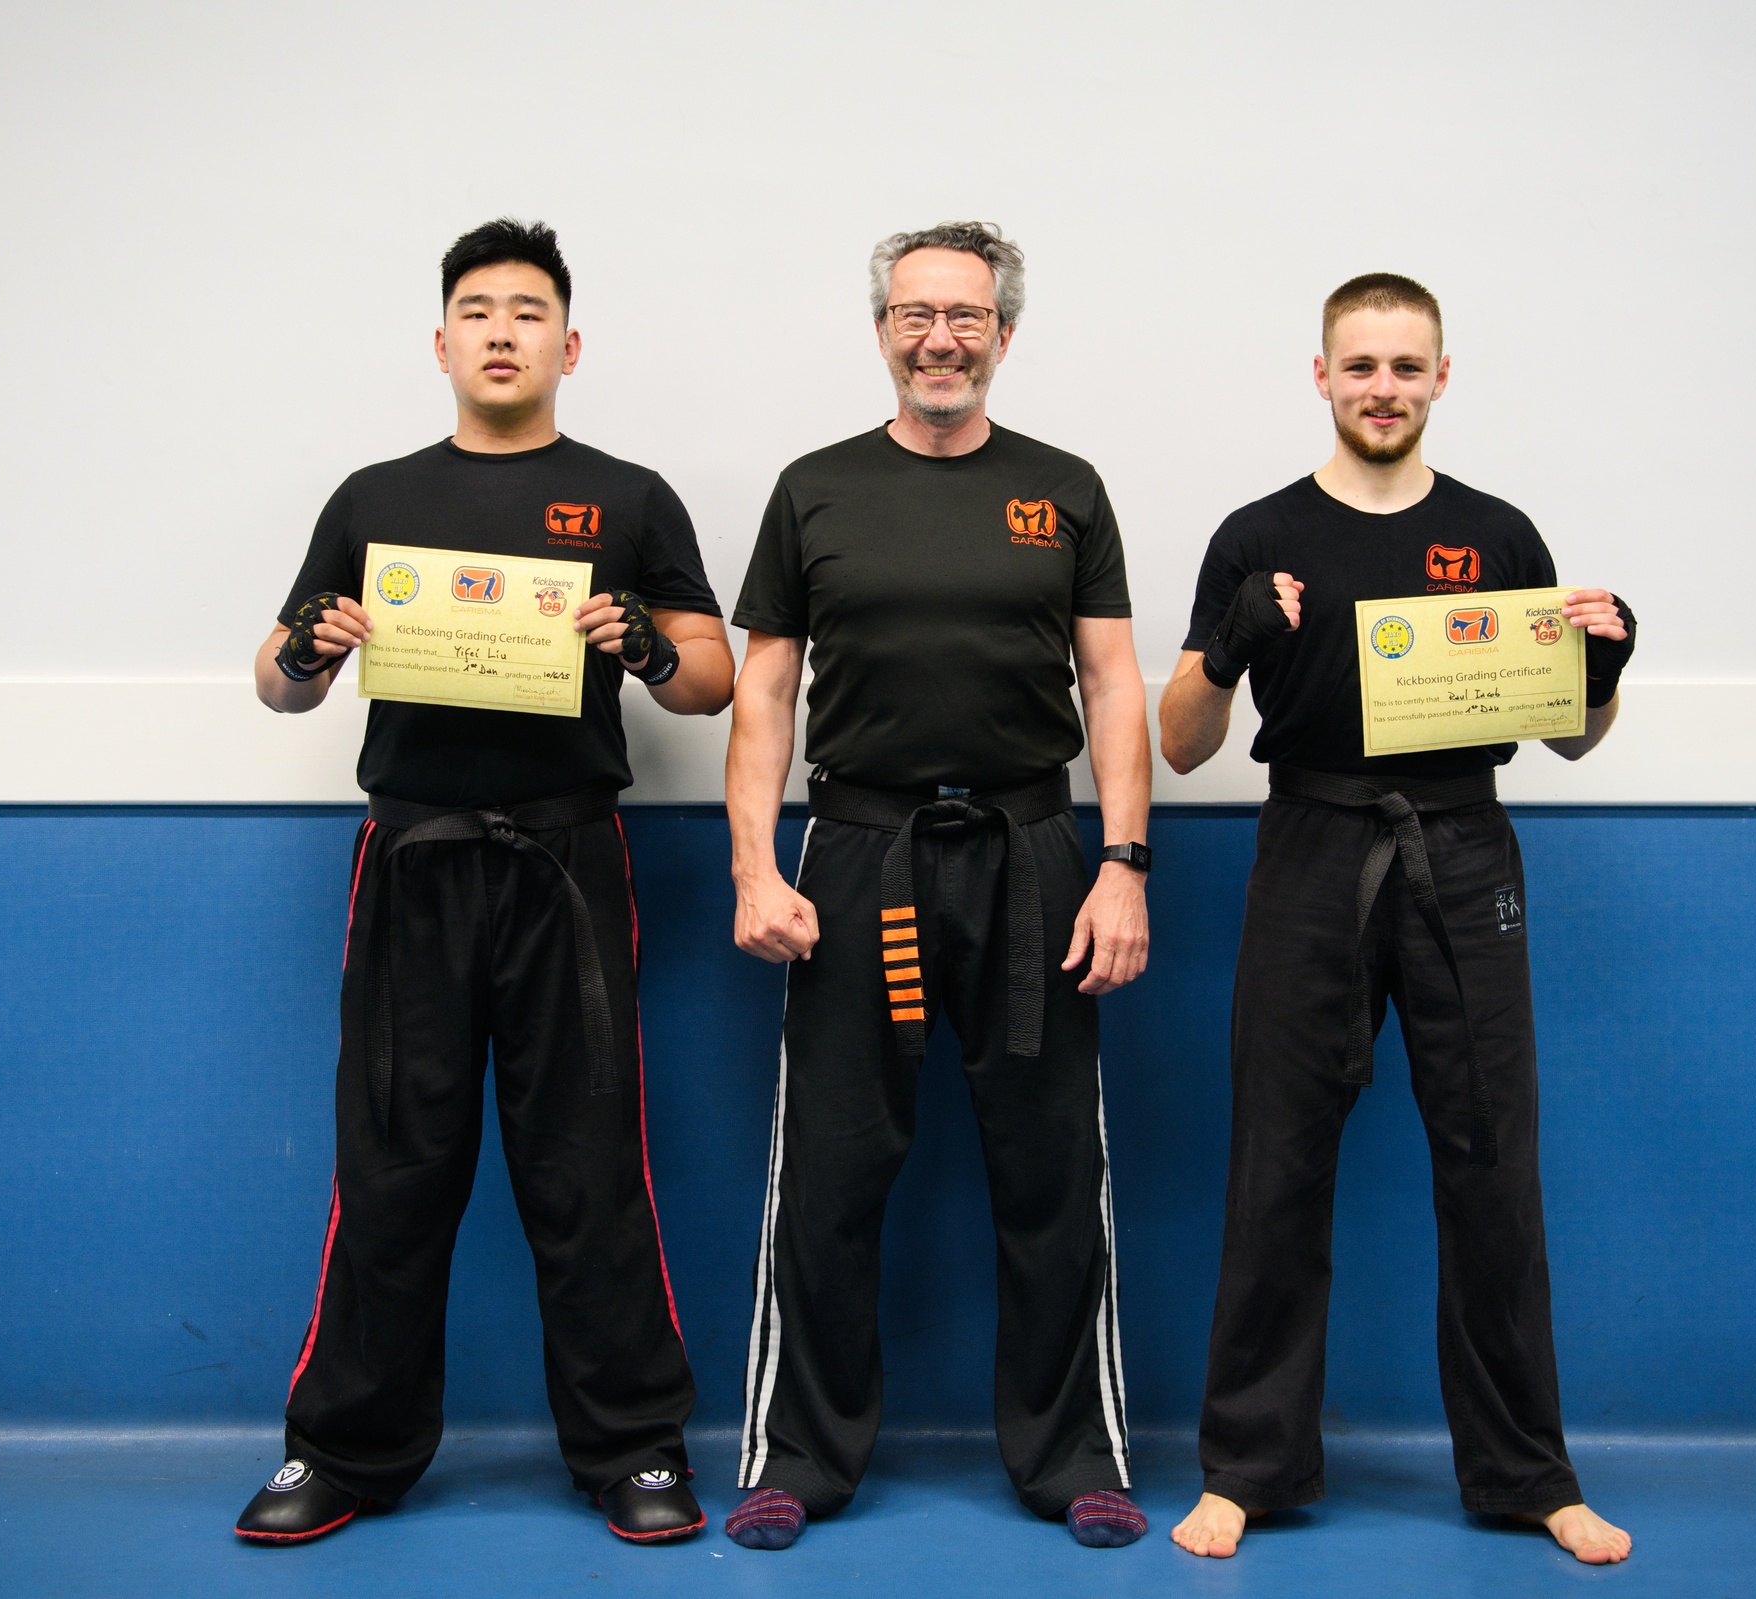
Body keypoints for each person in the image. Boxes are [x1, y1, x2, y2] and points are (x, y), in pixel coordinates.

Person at [233, 219, 733, 1547]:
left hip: (566, 863)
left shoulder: (628, 498)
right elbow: (279, 685)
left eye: (527, 312)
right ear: (442, 343)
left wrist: (642, 643)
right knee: (392, 1164)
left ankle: (634, 1448)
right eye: (477, 311)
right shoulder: (373, 499)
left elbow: (712, 677)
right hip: (415, 862)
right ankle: (342, 1450)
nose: (502, 331)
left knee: (587, 1163)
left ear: (569, 345)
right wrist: (307, 648)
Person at [1160, 274, 1636, 1566]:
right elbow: (1184, 744)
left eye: (1405, 367)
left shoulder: (1499, 534)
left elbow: (1573, 738)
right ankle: (1247, 1468)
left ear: (1441, 377)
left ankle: (1528, 1476)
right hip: (1310, 844)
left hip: (1464, 847)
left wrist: (1602, 670)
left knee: (1493, 1165)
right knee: (1277, 1159)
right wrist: (1226, 649)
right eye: (1360, 366)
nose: (1383, 388)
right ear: (1321, 375)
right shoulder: (1258, 533)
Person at [721, 222, 1153, 1551]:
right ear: (882, 332)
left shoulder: (1064, 489)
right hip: (861, 854)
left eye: (966, 315)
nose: (940, 338)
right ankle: (802, 1454)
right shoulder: (814, 490)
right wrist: (754, 866)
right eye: (915, 314)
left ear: (1004, 335)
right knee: (832, 1172)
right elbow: (766, 691)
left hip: (1032, 856)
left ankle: (1072, 1454)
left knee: (1049, 1169)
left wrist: (1123, 866)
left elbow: (1112, 683)